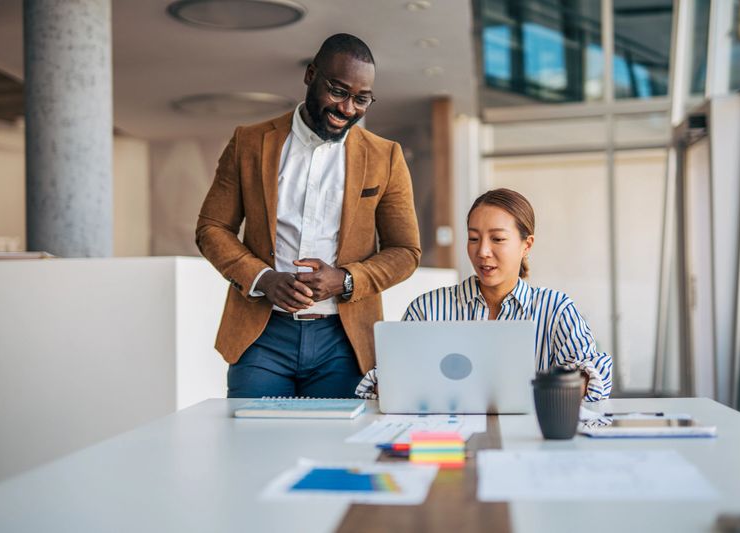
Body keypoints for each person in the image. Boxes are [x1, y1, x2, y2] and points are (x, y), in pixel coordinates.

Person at [196, 34, 421, 399]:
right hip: (261, 336)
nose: (347, 108)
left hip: (344, 343)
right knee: (253, 446)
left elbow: (405, 251)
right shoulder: (249, 143)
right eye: (337, 91)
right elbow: (212, 228)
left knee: (334, 451)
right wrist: (264, 278)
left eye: (361, 99)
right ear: (311, 75)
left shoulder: (386, 157)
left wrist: (346, 279)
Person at [357, 188, 612, 401]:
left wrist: (551, 393)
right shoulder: (427, 309)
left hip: (531, 439)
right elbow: (385, 381)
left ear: (527, 245)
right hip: (446, 436)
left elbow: (594, 373)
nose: (483, 252)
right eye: (474, 238)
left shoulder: (555, 309)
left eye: (498, 239)